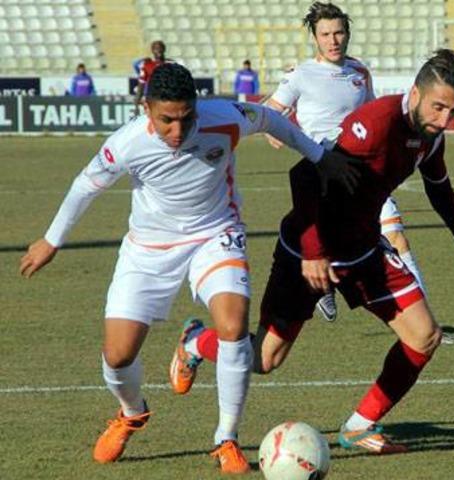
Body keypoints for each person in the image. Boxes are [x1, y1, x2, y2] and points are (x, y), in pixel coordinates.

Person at [19, 63, 361, 473]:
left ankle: (226, 439)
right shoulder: (127, 143)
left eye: (186, 118)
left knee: (234, 328)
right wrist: (52, 240)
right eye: (166, 120)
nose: (178, 131)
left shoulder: (225, 117)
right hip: (147, 248)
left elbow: (271, 118)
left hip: (215, 234)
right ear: (146, 109)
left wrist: (319, 155)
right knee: (117, 356)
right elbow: (85, 185)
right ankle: (131, 412)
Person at [170, 49, 454, 454]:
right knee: (264, 360)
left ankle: (360, 425)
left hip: (363, 251)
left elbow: (439, 187)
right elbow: (305, 174)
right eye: (439, 107)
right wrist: (313, 252)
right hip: (306, 251)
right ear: (415, 93)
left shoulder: (429, 137)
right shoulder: (376, 123)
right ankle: (196, 341)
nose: (445, 120)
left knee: (425, 335)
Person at [260, 2, 447, 343]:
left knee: (397, 236)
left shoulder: (359, 71)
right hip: (322, 178)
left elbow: (375, 112)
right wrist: (281, 129)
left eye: (339, 32)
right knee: (331, 249)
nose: (334, 40)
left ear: (348, 33)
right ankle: (325, 287)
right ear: (314, 37)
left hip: (363, 173)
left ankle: (427, 322)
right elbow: (268, 113)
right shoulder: (300, 74)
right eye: (326, 34)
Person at [134, 40, 171, 114]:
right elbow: (141, 85)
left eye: (160, 48)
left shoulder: (171, 64)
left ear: (164, 49)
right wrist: (136, 105)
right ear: (152, 51)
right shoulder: (147, 65)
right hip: (152, 100)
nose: (159, 50)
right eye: (156, 48)